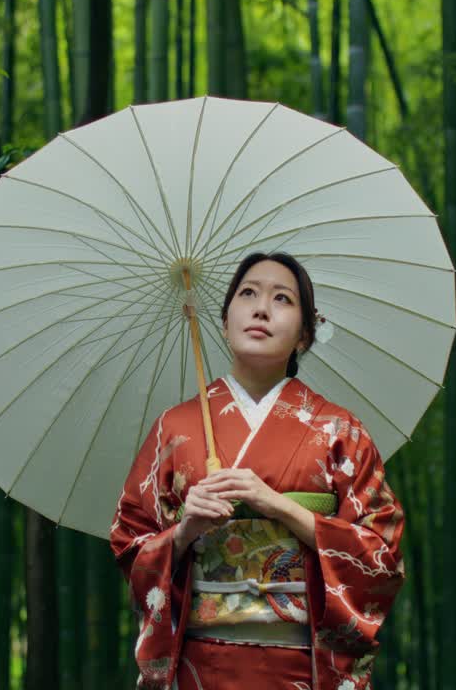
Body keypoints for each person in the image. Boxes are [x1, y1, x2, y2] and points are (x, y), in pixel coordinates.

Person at [109, 251, 406, 690]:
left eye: (282, 298)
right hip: (200, 668)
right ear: (225, 321)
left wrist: (278, 506)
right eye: (248, 293)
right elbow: (130, 544)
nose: (262, 308)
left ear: (305, 335)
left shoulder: (339, 431)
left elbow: (382, 556)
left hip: (302, 669)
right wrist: (185, 529)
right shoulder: (175, 428)